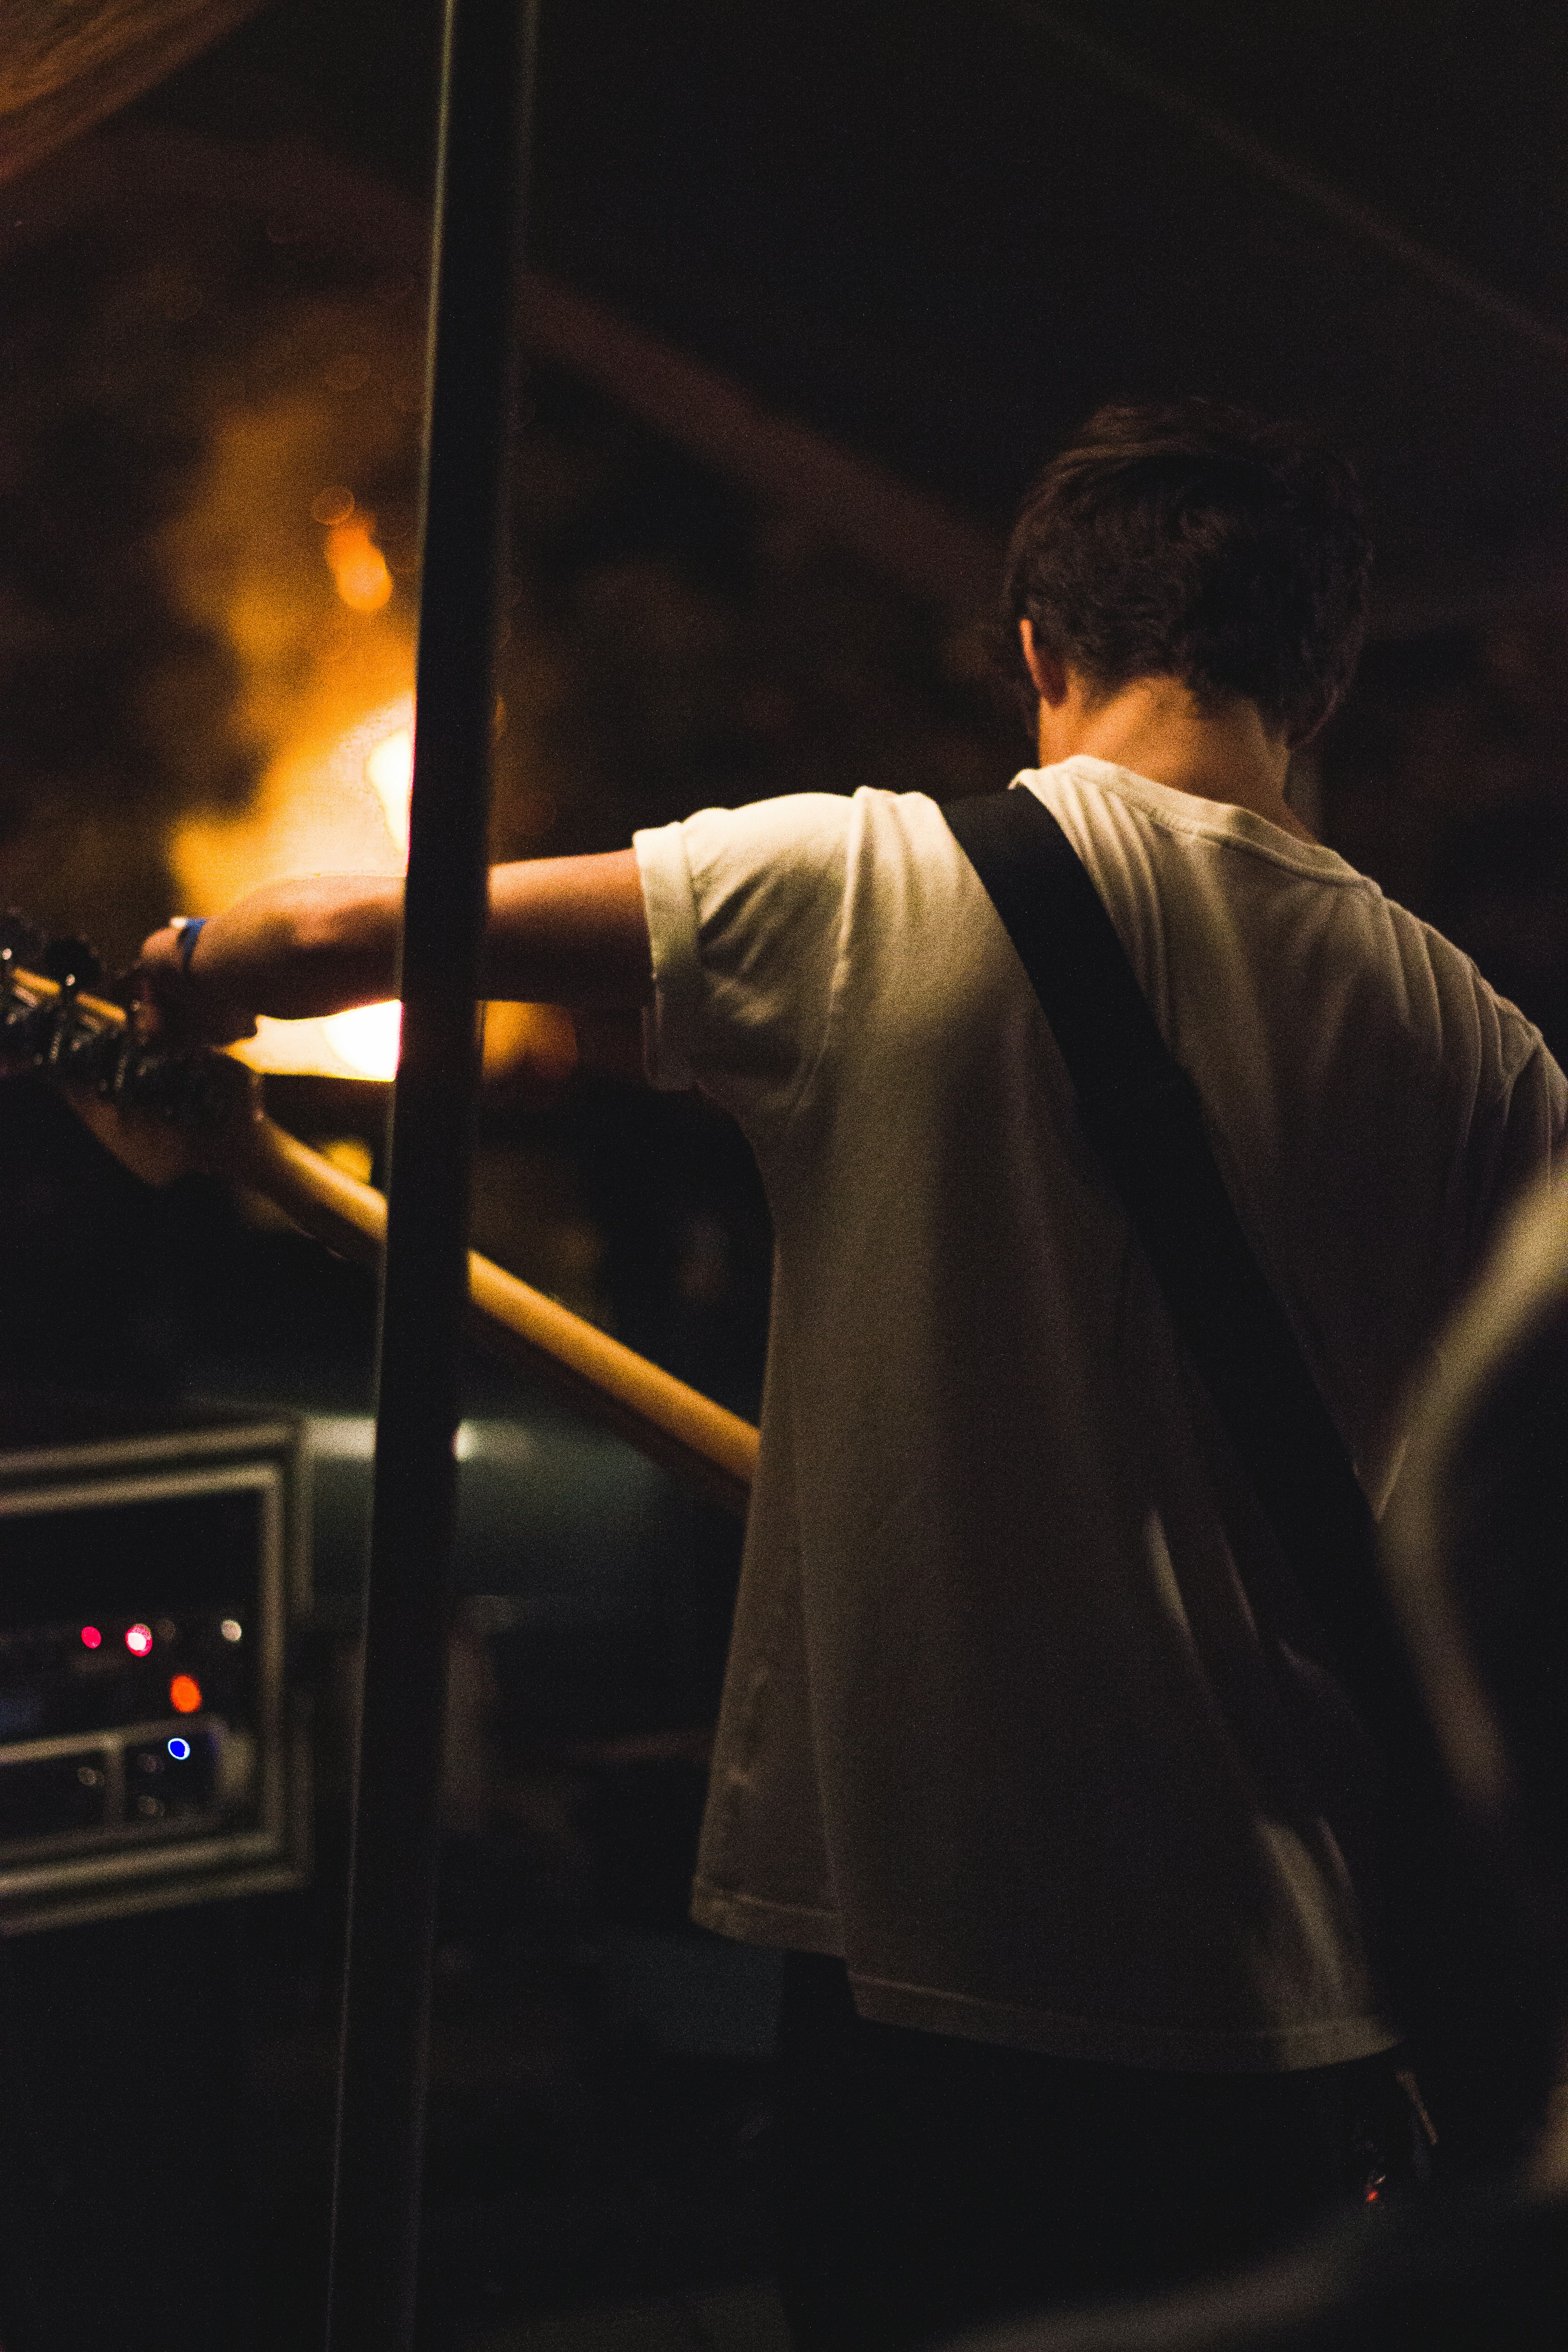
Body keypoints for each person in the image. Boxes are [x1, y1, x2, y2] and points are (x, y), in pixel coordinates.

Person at [139, 402, 1568, 2347]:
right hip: (1293, 1990)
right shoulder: (1480, 1047)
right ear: (1313, 681)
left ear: (1039, 652)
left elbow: (326, 934)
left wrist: (179, 984)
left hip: (943, 1973)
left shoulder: (864, 888)